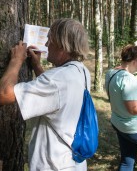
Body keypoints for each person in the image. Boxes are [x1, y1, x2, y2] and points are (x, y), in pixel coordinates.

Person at [0, 18, 91, 171]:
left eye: (50, 39)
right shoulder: (81, 71)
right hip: (74, 163)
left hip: (54, 166)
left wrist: (16, 60)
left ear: (62, 45)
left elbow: (3, 94)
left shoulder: (57, 80)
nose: (47, 44)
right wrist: (36, 65)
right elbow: (56, 95)